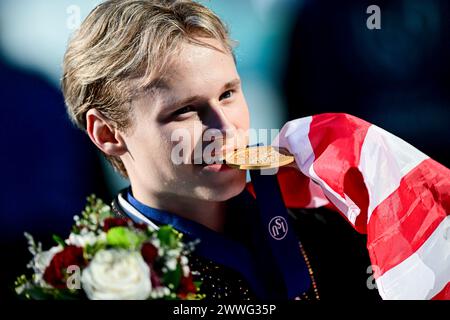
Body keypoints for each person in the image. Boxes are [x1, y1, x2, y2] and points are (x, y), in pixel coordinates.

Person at [62, 0, 377, 300]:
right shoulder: (94, 279)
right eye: (185, 110)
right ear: (107, 133)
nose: (225, 129)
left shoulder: (330, 217)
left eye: (228, 94)